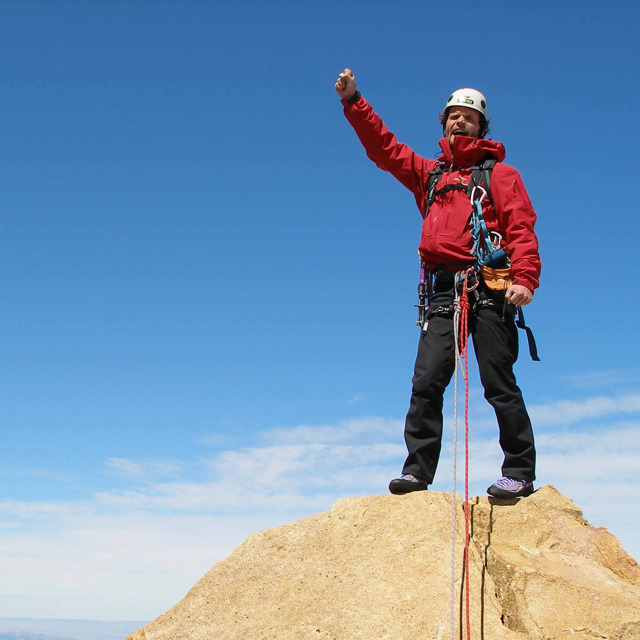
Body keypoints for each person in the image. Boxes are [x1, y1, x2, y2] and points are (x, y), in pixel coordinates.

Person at [334, 69, 541, 499]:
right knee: (426, 382)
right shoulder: (430, 175)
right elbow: (384, 149)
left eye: (469, 117)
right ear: (443, 122)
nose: (460, 122)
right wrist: (355, 102)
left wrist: (525, 279)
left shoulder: (501, 176)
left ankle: (519, 472)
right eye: (453, 115)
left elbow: (521, 228)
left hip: (489, 287)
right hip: (443, 292)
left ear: (483, 127)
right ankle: (417, 472)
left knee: (498, 381)